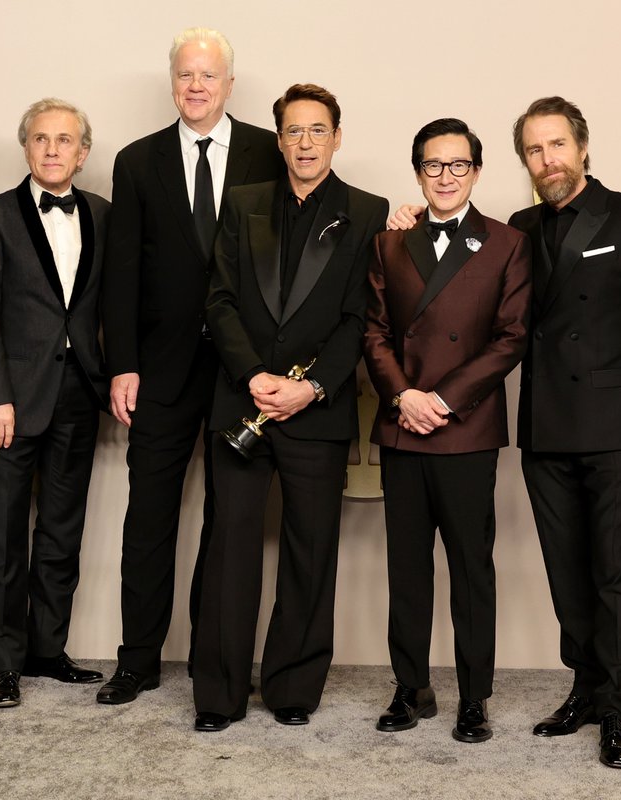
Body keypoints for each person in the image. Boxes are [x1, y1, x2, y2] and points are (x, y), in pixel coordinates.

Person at [191, 84, 388, 731]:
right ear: (279, 140)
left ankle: (293, 688)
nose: (305, 142)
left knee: (311, 550)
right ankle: (218, 696)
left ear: (337, 137)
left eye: (318, 130)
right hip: (242, 402)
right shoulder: (243, 203)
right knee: (230, 551)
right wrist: (253, 374)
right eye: (294, 131)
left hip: (317, 409)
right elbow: (219, 300)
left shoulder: (368, 211)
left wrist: (311, 387)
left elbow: (361, 316)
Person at [98, 27, 285, 705]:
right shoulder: (137, 161)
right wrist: (122, 364)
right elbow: (121, 273)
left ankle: (215, 658)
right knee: (149, 517)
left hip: (245, 371)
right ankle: (137, 659)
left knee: (228, 522)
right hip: (161, 368)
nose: (196, 86)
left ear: (230, 85)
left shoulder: (270, 151)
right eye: (185, 75)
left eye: (208, 76)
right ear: (171, 83)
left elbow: (315, 226)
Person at [509, 96, 621, 768]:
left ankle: (615, 708)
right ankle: (583, 686)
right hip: (546, 425)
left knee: (615, 573)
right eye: (533, 149)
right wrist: (407, 218)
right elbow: (463, 270)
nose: (546, 160)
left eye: (556, 145)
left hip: (615, 426)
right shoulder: (519, 227)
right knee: (566, 571)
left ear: (581, 147)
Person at [363, 119, 530, 742]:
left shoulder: (508, 243)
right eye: (434, 166)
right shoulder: (388, 243)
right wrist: (405, 395)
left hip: (465, 428)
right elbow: (373, 331)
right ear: (418, 173)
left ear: (478, 172)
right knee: (406, 567)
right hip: (404, 424)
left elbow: (511, 337)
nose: (446, 177)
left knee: (470, 566)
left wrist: (443, 399)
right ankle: (411, 688)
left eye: (458, 165)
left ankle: (474, 697)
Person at [0, 99, 110, 709]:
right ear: (26, 148)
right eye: (41, 139)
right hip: (13, 401)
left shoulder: (103, 214)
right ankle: (5, 664)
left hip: (79, 393)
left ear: (83, 152)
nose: (53, 150)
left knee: (61, 530)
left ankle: (47, 649)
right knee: (4, 533)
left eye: (65, 140)